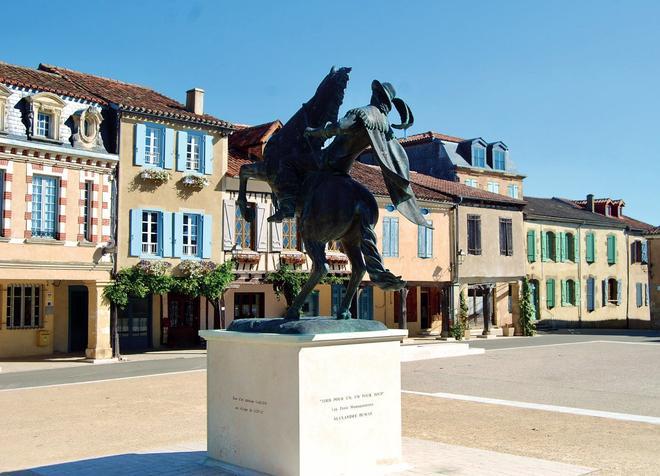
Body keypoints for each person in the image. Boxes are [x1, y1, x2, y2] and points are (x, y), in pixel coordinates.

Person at [268, 79, 428, 227]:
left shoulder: (363, 113)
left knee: (288, 162)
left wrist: (313, 132)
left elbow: (338, 128)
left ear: (375, 95)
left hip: (328, 160)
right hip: (344, 168)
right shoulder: (384, 124)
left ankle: (287, 206)